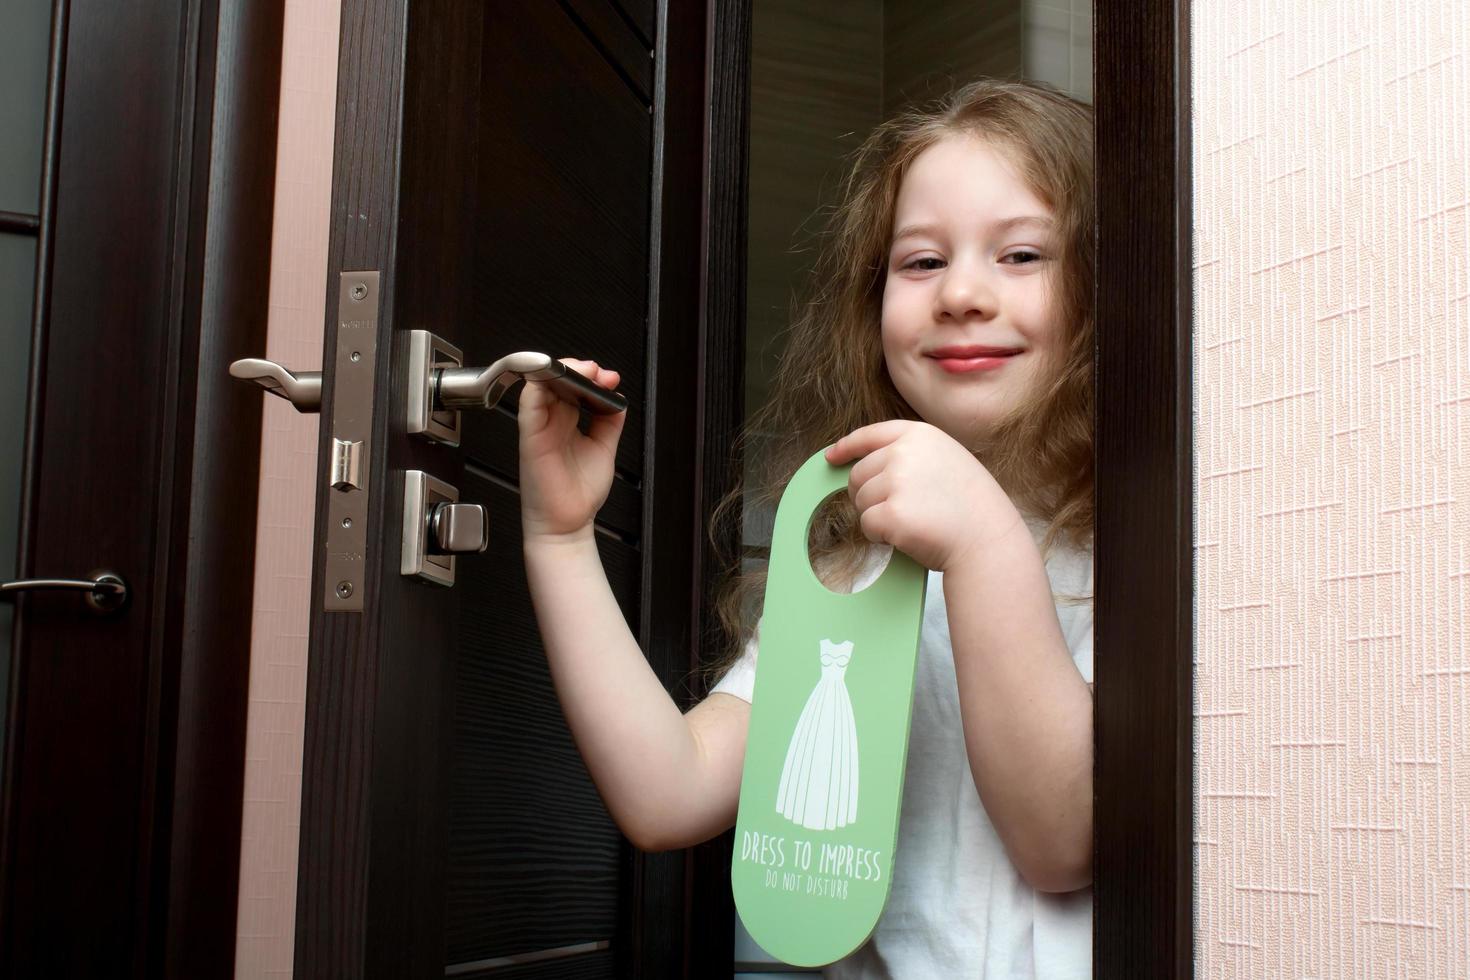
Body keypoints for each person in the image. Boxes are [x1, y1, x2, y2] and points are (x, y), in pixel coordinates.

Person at [517, 76, 1096, 979]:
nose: (962, 294)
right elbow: (667, 794)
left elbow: (1062, 844)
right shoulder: (851, 569)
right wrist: (559, 539)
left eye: (1021, 255)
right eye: (921, 262)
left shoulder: (1143, 552)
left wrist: (983, 541)